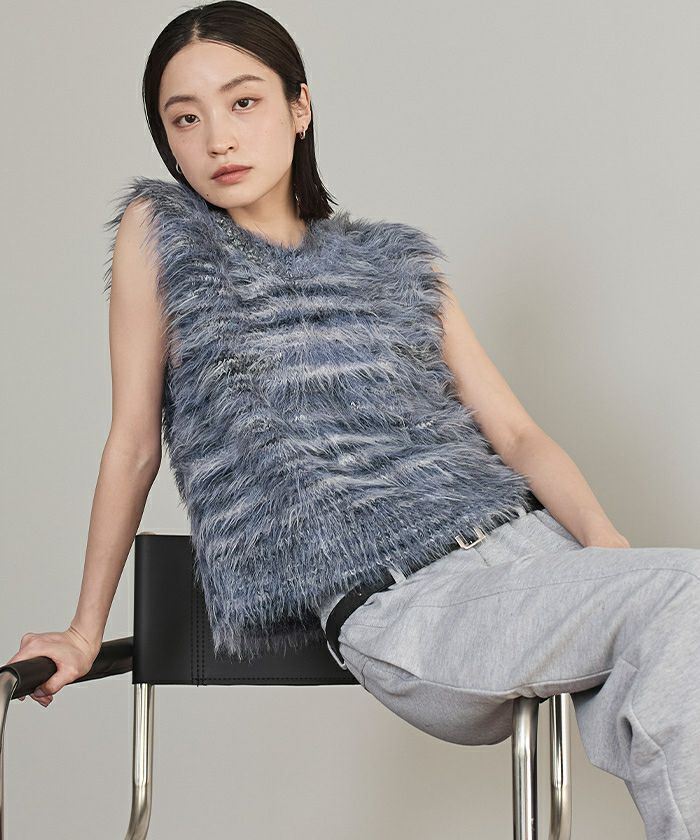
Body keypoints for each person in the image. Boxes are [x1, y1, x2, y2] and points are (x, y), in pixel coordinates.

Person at [5, 3, 699, 837]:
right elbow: (132, 445)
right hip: (406, 603)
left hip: (530, 553)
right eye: (185, 119)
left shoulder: (394, 262)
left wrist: (606, 550)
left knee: (676, 636)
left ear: (299, 106)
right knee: (688, 599)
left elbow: (516, 435)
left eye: (244, 102)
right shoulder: (164, 234)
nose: (218, 138)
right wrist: (83, 631)